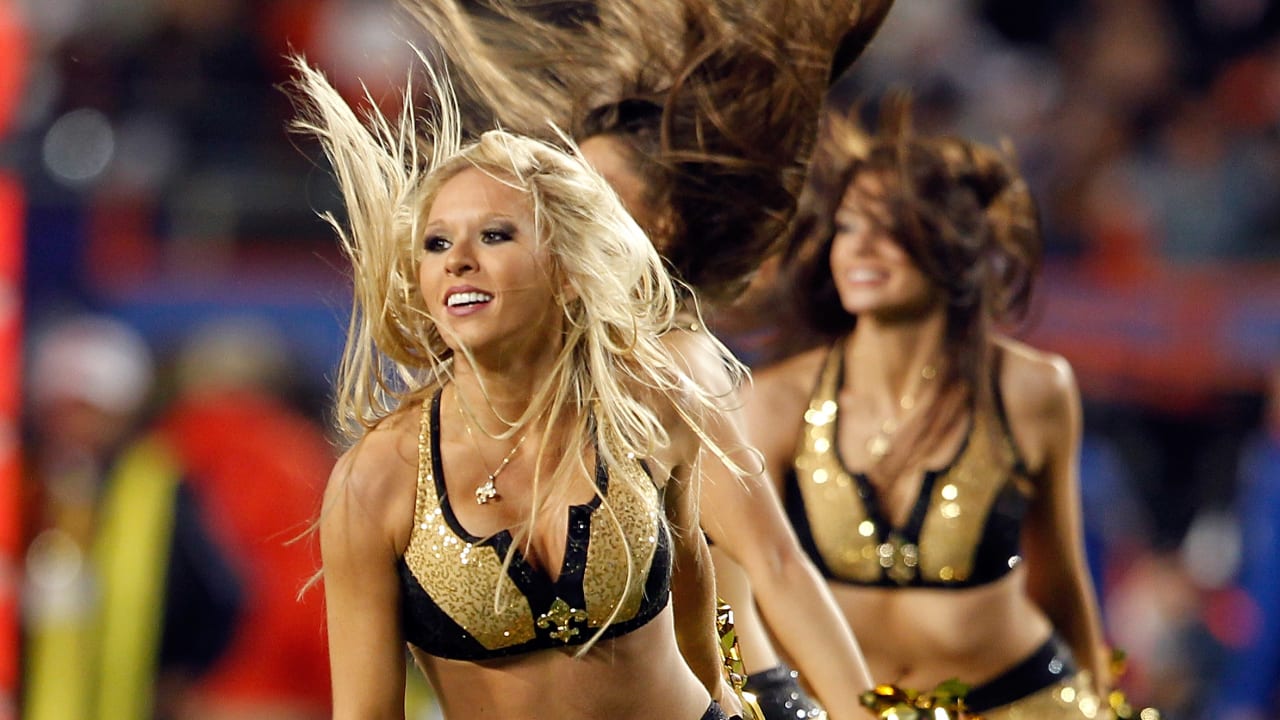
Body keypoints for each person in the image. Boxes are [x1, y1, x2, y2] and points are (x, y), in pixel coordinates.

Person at [399, 2, 892, 716]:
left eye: (597, 197)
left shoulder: (675, 361)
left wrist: (868, 712)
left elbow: (778, 565)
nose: (569, 213)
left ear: (659, 225)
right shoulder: (551, 364)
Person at [292, 53, 786, 719]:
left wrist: (725, 693)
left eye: (495, 235)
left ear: (568, 271)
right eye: (437, 244)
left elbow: (691, 568)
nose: (459, 259)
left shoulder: (650, 407)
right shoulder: (376, 481)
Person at [743, 97, 1113, 718]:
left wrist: (1102, 698)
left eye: (892, 229)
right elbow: (745, 592)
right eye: (850, 227)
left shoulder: (1034, 389)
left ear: (953, 244)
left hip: (1021, 702)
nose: (862, 248)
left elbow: (1061, 576)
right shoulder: (774, 400)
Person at [22, 314, 243, 720]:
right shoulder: (24, 486)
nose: (71, 426)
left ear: (122, 413)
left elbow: (221, 595)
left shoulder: (158, 486)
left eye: (87, 409)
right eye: (59, 409)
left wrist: (177, 679)